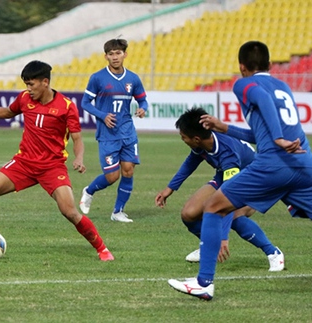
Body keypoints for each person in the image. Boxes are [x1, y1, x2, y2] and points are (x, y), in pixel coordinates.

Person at [168, 41, 312, 300]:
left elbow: (262, 99)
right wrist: (225, 128)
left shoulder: (244, 84)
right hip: (304, 164)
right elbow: (259, 134)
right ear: (270, 65)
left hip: (272, 164)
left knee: (214, 206)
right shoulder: (284, 87)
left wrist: (278, 138)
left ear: (242, 67)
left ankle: (204, 283)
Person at [0, 60, 114, 261]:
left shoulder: (66, 107)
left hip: (52, 167)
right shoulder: (25, 99)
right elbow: (7, 112)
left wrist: (79, 158)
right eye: (26, 84)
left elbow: (77, 138)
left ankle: (102, 249)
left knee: (69, 212)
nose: (28, 89)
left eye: (31, 84)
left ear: (45, 82)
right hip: (24, 163)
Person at [155, 107, 284, 270]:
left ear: (195, 139)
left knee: (234, 215)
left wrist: (223, 237)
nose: (182, 139)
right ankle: (208, 245)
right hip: (226, 175)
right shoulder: (202, 141)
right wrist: (170, 188)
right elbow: (192, 161)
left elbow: (231, 195)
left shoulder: (227, 152)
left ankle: (273, 252)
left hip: (256, 179)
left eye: (183, 137)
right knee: (189, 213)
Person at [79, 38, 148, 223]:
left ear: (125, 54)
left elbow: (143, 100)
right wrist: (102, 115)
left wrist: (143, 108)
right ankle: (89, 191)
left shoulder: (133, 79)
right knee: (111, 176)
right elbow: (85, 103)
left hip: (127, 132)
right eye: (111, 54)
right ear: (105, 56)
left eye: (118, 53)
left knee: (128, 171)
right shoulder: (97, 78)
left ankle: (118, 212)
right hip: (107, 135)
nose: (115, 57)